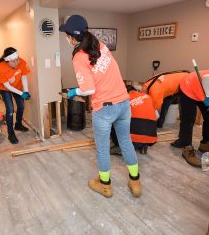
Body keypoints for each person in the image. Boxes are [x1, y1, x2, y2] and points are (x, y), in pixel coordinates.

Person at [59, 14, 140, 198]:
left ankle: (105, 186)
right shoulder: (100, 45)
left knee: (103, 148)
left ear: (72, 37)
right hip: (124, 103)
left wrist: (73, 92)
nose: (66, 38)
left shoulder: (79, 57)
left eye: (67, 35)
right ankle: (135, 182)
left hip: (104, 108)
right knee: (126, 142)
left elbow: (88, 89)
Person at [171, 70, 209, 168]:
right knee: (188, 119)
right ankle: (186, 146)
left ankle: (205, 143)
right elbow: (207, 79)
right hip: (189, 86)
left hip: (204, 91)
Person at [0, 47, 31, 144]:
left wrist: (26, 91)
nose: (16, 62)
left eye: (17, 59)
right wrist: (21, 93)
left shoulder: (22, 62)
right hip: (5, 89)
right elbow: (7, 86)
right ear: (7, 61)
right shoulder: (1, 68)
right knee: (10, 109)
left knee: (21, 106)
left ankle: (18, 124)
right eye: (13, 61)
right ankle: (10, 133)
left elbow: (24, 78)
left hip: (18, 86)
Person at [110, 85, 157, 155]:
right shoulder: (147, 96)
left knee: (113, 122)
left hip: (134, 139)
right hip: (151, 138)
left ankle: (120, 146)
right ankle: (143, 146)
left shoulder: (124, 100)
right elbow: (157, 116)